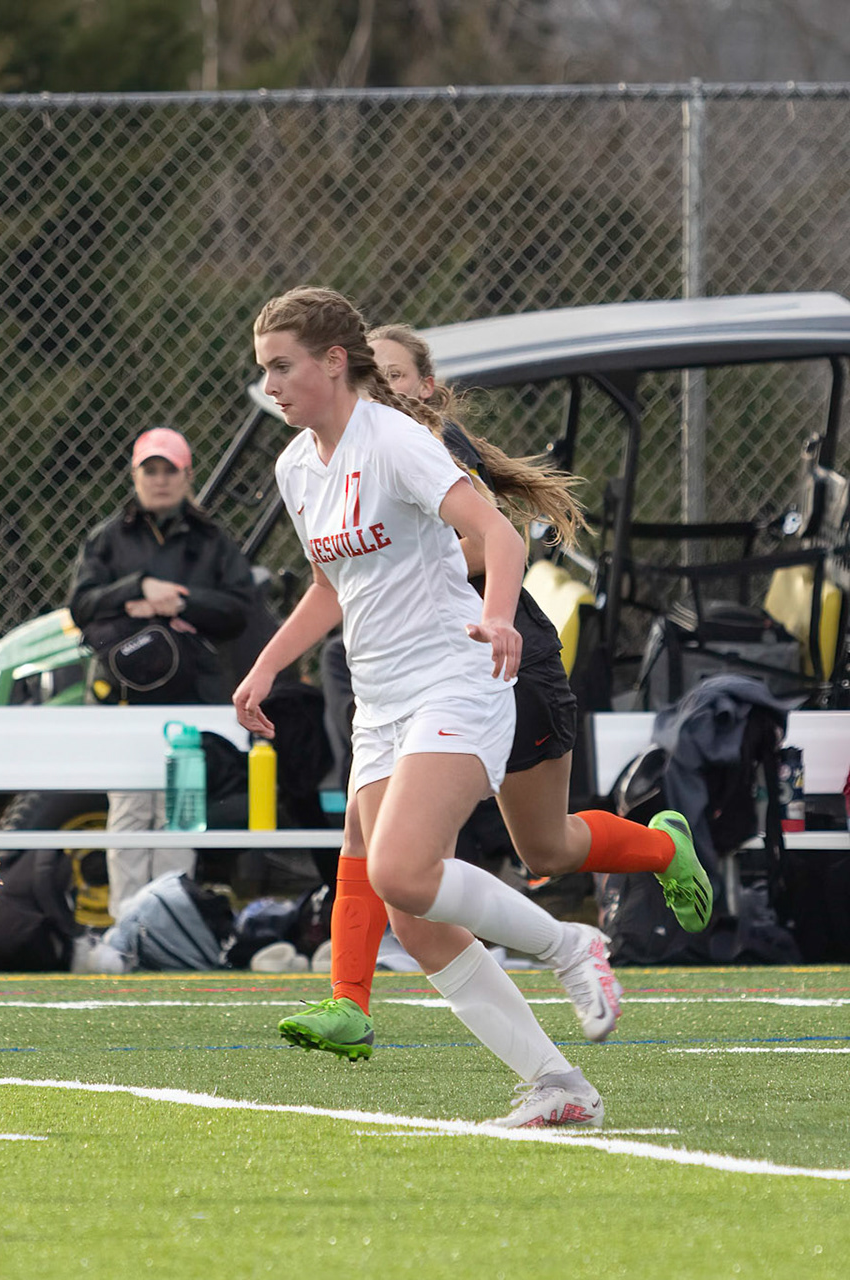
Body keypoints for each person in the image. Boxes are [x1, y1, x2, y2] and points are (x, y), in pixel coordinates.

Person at [233, 287, 624, 1130]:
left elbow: (503, 536)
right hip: (379, 702)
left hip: (455, 678)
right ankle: (559, 1086)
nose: (270, 385)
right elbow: (329, 588)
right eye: (264, 368)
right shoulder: (296, 466)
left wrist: (498, 616)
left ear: (334, 361)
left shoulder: (396, 442)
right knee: (414, 919)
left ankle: (571, 945)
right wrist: (264, 668)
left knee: (402, 872)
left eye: (282, 366)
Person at [278, 326, 714, 1068]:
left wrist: (392, 555)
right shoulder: (336, 453)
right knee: (384, 855)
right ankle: (355, 1001)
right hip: (414, 677)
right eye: (374, 372)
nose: (381, 385)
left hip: (504, 656)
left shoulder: (419, 443)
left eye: (395, 374)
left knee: (542, 846)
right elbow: (342, 577)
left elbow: (489, 541)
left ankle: (657, 853)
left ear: (426, 386)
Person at [67, 427, 258, 919]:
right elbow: (81, 605)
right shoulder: (107, 539)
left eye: (170, 470)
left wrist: (182, 602)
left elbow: (240, 608)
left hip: (190, 697)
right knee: (131, 809)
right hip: (124, 698)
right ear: (135, 476)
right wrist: (138, 588)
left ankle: (172, 921)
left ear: (187, 475)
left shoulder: (212, 540)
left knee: (180, 811)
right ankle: (126, 925)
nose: (160, 480)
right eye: (149, 470)